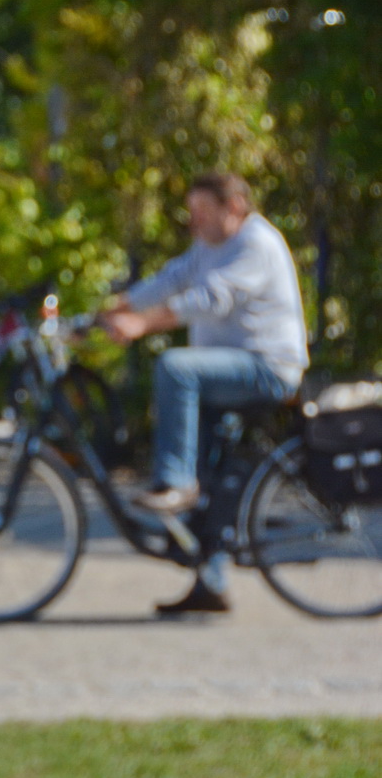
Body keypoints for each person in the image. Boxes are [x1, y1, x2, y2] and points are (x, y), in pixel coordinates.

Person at [103, 171, 308, 614]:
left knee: (176, 368)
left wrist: (143, 324)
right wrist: (118, 308)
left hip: (268, 368)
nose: (193, 221)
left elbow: (212, 299)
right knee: (210, 469)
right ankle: (211, 580)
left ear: (233, 206)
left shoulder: (256, 242)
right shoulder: (209, 246)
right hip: (227, 373)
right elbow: (172, 279)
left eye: (201, 212)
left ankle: (175, 484)